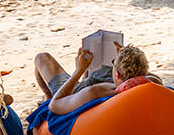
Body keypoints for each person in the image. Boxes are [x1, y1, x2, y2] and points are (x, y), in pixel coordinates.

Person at [35, 44, 163, 115]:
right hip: (108, 81)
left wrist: (79, 70)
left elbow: (55, 106)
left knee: (41, 58)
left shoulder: (95, 92)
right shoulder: (154, 82)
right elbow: (145, 76)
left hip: (74, 95)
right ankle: (88, 73)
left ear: (117, 74)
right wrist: (127, 58)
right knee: (98, 65)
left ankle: (47, 95)